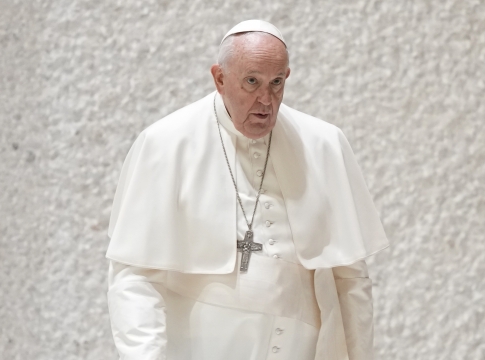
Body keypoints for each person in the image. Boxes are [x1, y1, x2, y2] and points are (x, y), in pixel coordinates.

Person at [106, 20, 389, 360]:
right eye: (252, 81)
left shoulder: (324, 144)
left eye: (277, 83)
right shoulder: (166, 143)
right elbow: (134, 277)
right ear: (220, 78)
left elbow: (352, 281)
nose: (265, 100)